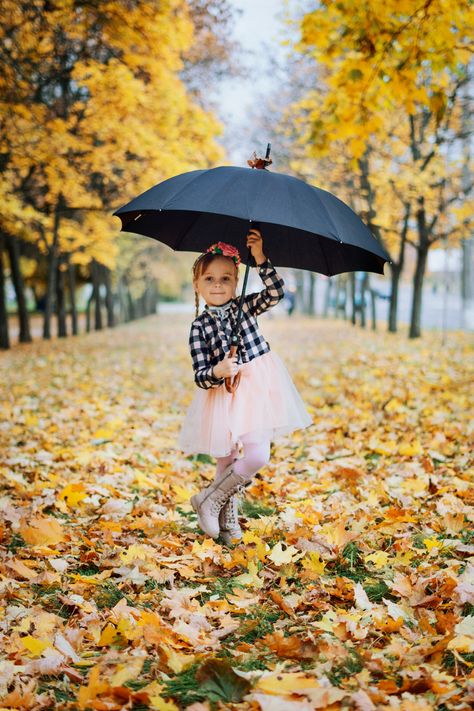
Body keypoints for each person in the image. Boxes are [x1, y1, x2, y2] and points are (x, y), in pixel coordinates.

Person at [177, 228, 312, 545]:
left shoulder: (245, 308)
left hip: (256, 387)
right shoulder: (199, 326)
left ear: (236, 283)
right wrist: (218, 370)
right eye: (209, 279)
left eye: (225, 279)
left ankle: (209, 499)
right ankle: (227, 525)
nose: (218, 285)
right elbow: (200, 373)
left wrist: (261, 258)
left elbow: (276, 293)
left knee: (257, 454)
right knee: (225, 458)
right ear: (197, 285)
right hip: (221, 392)